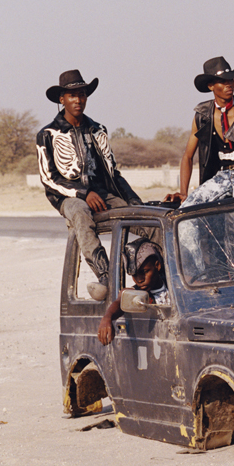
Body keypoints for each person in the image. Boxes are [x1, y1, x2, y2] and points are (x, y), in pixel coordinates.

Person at [36, 69, 141, 300]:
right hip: (67, 197)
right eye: (72, 95)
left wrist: (134, 201)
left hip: (103, 193)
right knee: (81, 214)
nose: (78, 100)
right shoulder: (47, 134)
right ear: (61, 99)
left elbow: (113, 172)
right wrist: (83, 193)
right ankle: (106, 275)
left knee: (144, 218)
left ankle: (154, 270)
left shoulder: (98, 130)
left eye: (82, 94)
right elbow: (48, 179)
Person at [169, 57, 234, 209]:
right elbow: (188, 156)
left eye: (231, 80)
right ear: (211, 86)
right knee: (187, 211)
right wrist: (183, 192)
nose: (229, 85)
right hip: (221, 176)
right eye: (223, 81)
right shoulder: (202, 116)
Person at [97, 240, 168, 345]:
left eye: (144, 272)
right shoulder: (137, 292)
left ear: (157, 266)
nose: (139, 280)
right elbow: (121, 300)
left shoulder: (175, 285)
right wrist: (107, 317)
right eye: (134, 275)